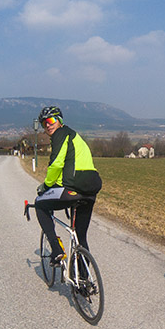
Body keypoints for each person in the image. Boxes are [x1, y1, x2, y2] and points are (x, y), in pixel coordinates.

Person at [34, 106, 102, 265]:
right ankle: (84, 282)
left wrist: (46, 186)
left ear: (60, 121)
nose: (48, 125)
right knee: (80, 236)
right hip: (90, 189)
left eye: (51, 121)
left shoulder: (61, 134)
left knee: (39, 204)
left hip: (72, 188)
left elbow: (56, 164)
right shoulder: (75, 136)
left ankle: (56, 249)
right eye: (44, 124)